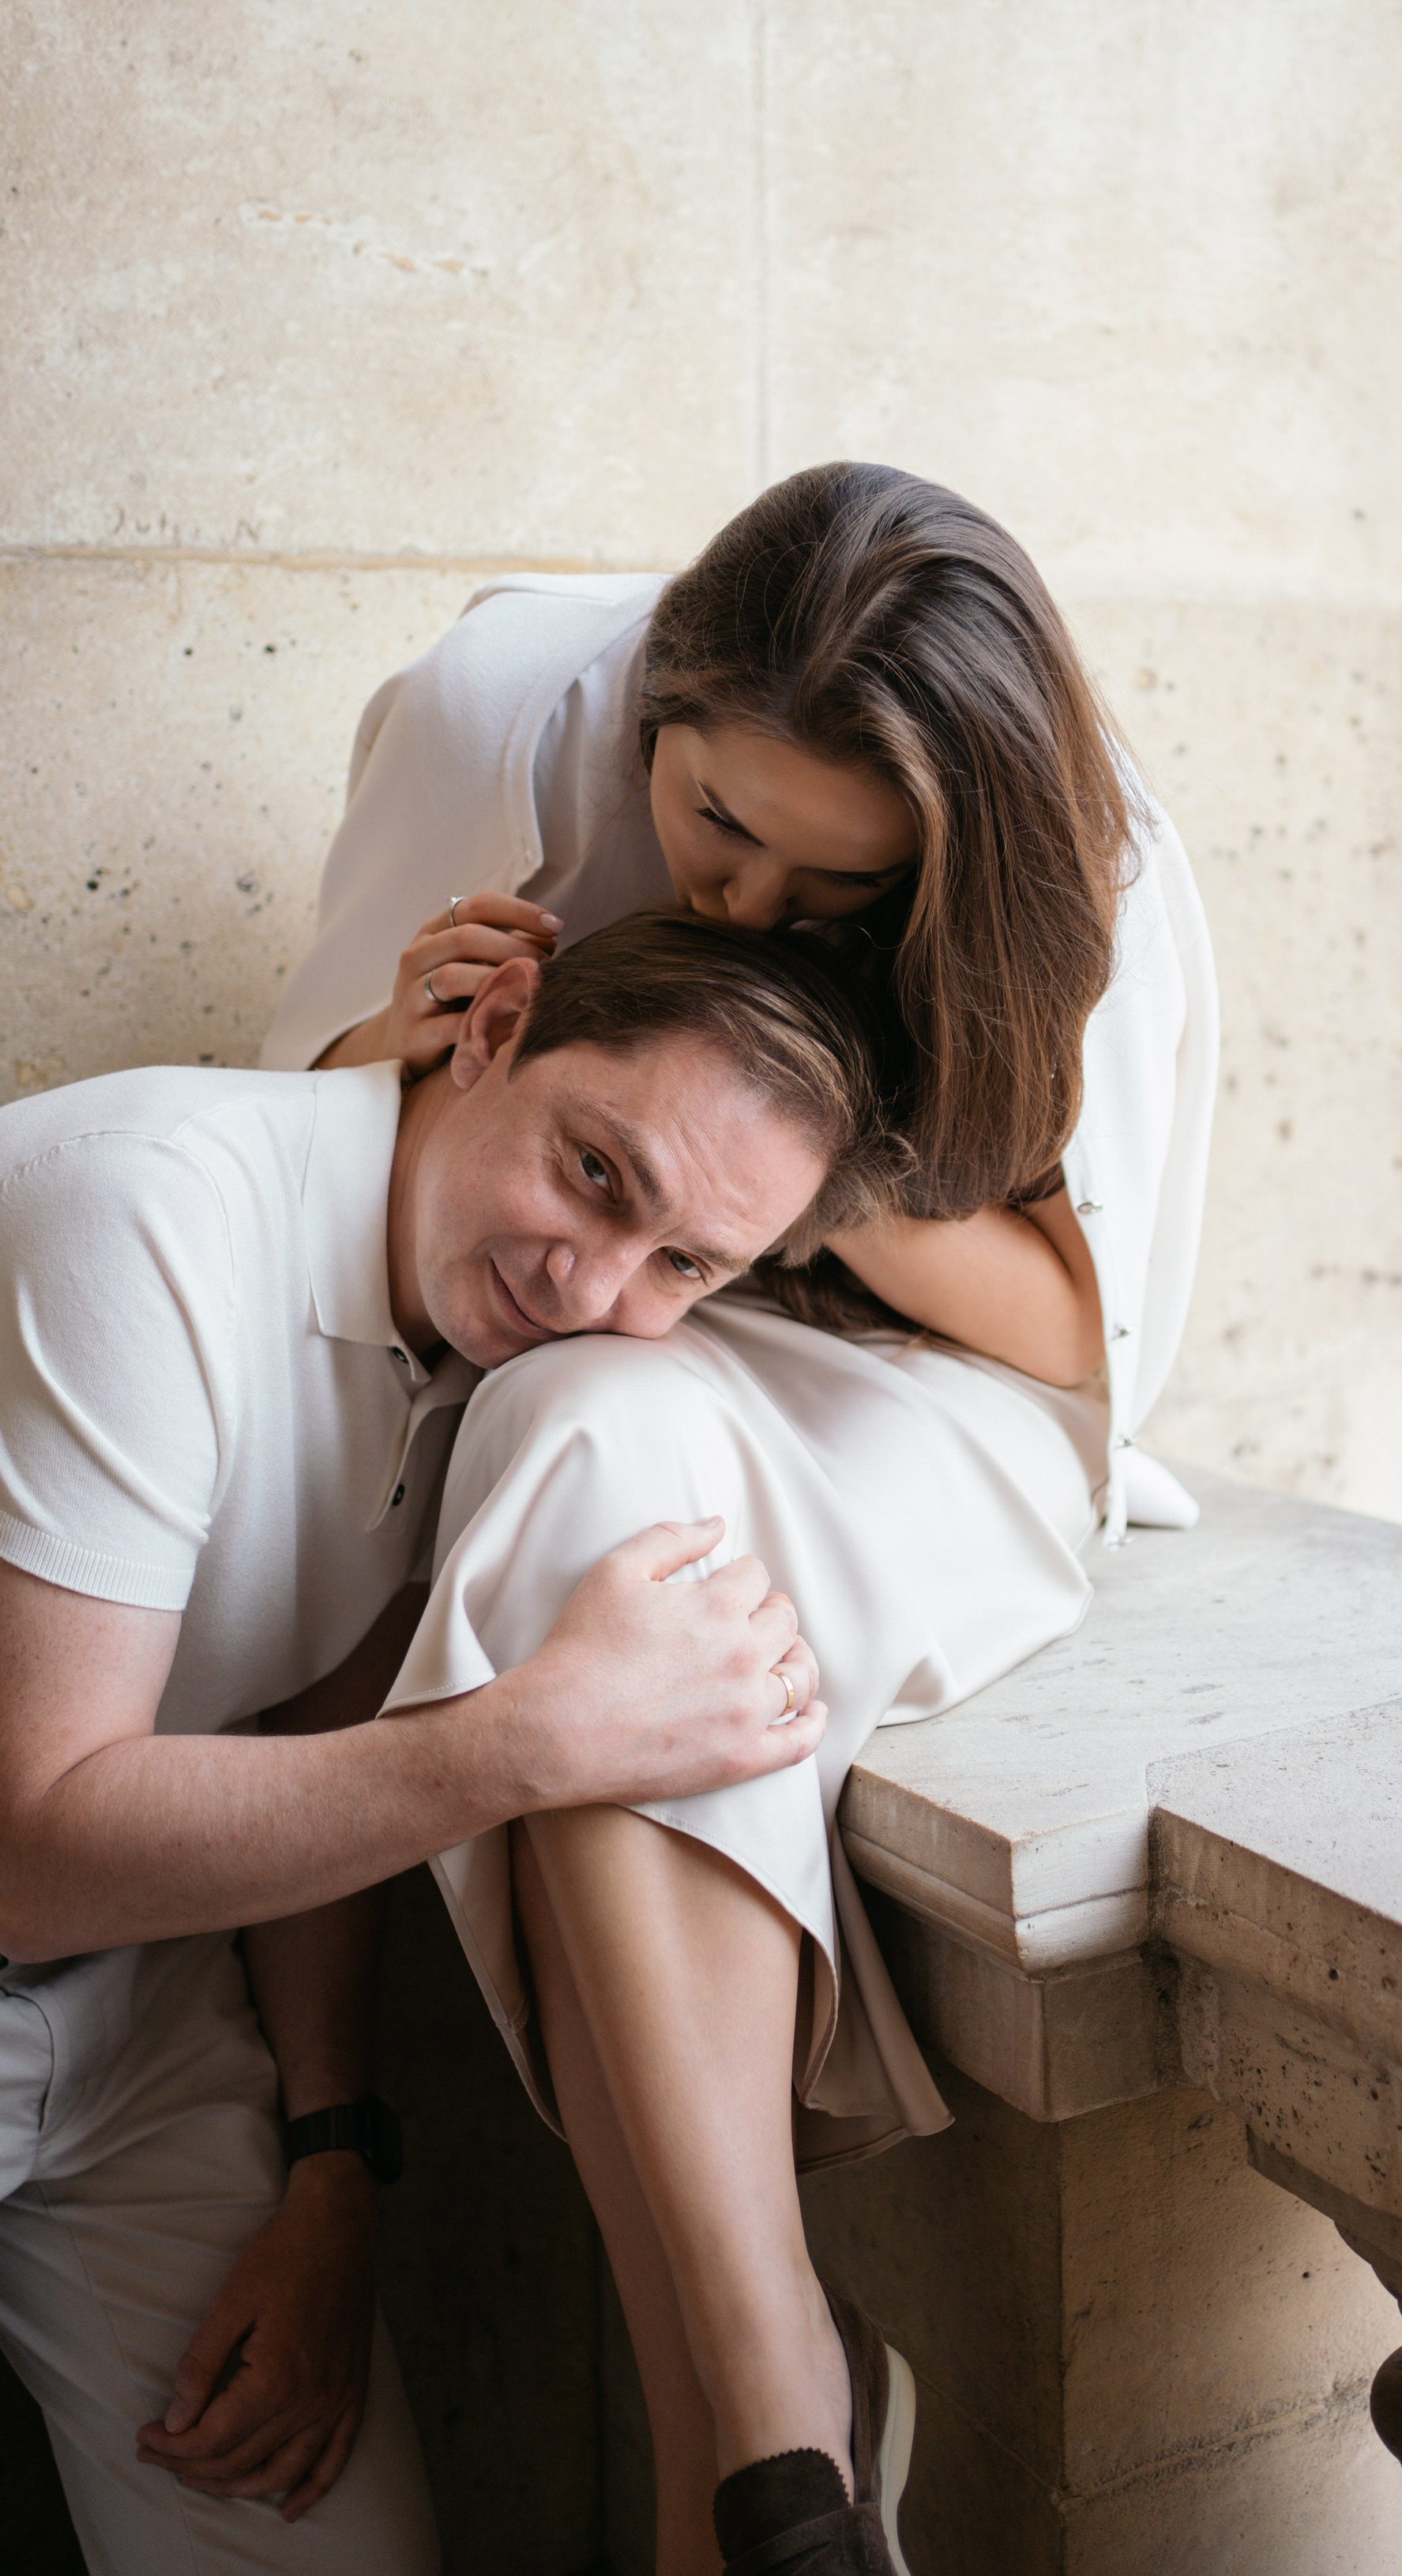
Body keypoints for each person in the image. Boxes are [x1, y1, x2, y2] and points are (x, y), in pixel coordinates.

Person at [265, 462, 1217, 2574]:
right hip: (601, 1356)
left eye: (844, 893)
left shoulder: (1085, 840)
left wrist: (795, 1180)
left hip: (933, 1401)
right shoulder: (493, 712)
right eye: (716, 830)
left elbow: (1077, 1330)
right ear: (658, 710)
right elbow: (319, 1149)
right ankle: (767, 2429)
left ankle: (749, 2415)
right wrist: (396, 1054)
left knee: (586, 1454)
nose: (756, 910)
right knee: (575, 1444)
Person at [0, 914, 878, 2575]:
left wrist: (329, 2159)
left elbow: (308, 1705)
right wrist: (519, 1744)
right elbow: (29, 1853)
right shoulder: (145, 1212)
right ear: (496, 1027)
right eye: (599, 1174)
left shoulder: (486, 1349)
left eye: (685, 1266)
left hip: (143, 2033)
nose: (593, 1288)